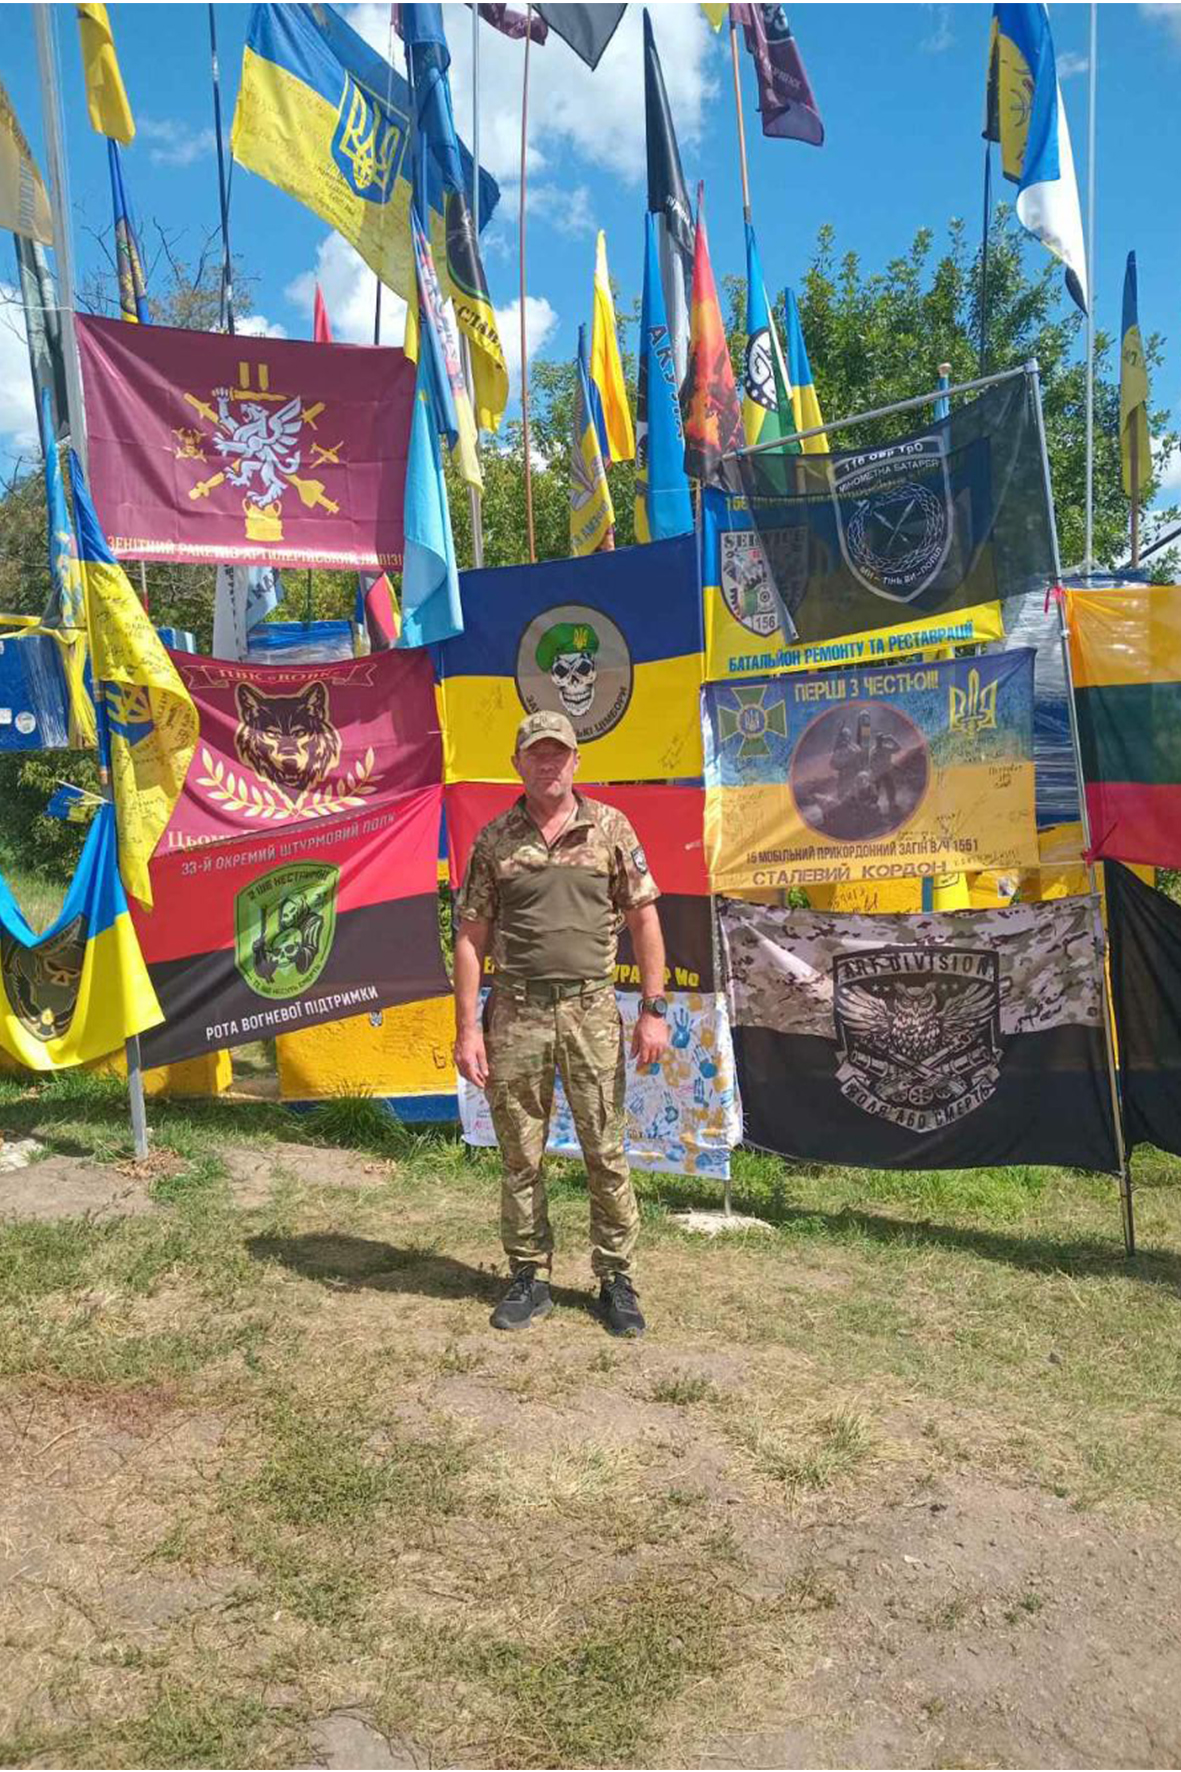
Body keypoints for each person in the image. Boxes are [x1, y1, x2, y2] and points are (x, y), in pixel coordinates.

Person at [453, 709, 670, 1337]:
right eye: (536, 753)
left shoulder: (611, 829)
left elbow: (645, 920)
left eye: (559, 753)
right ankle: (529, 1276)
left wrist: (654, 1009)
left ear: (577, 761)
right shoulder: (495, 841)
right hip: (516, 1012)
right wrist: (467, 1029)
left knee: (605, 1148)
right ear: (517, 763)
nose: (548, 763)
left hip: (591, 1011)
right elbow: (470, 937)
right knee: (521, 1153)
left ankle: (616, 1278)